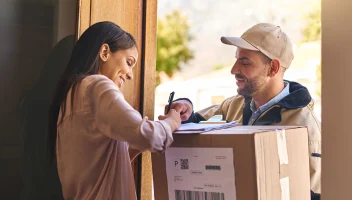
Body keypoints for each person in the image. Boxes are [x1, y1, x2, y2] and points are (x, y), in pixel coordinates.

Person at [166, 23, 321, 200]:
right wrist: (184, 107)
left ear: (273, 68)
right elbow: (194, 122)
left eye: (245, 62)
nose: (233, 70)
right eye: (236, 59)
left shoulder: (306, 129)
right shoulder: (232, 106)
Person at [47, 21, 181, 200]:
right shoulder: (97, 85)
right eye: (129, 62)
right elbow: (149, 135)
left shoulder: (71, 95)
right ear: (104, 52)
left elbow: (97, 165)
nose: (130, 75)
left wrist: (134, 145)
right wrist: (172, 121)